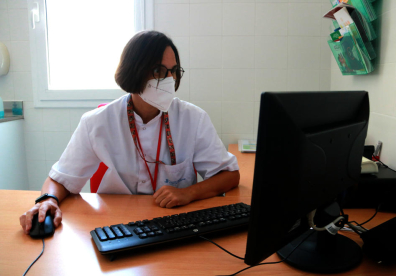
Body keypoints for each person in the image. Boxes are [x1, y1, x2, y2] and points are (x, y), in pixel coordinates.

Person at [20, 31, 240, 234]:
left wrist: (188, 193)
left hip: (175, 224)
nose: (170, 80)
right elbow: (60, 179)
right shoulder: (97, 122)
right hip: (115, 225)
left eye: (173, 71)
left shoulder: (193, 118)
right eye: (159, 71)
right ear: (135, 70)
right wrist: (47, 200)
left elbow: (229, 175)